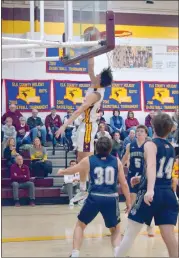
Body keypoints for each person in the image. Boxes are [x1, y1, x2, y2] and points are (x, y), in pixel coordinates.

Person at [116, 113, 179, 257]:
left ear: (152, 127)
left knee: (130, 232)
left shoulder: (150, 144)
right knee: (169, 237)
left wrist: (149, 190)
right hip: (167, 193)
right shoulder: (170, 146)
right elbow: (160, 170)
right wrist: (141, 178)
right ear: (169, 130)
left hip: (151, 192)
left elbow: (151, 165)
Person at [57, 137, 131, 257]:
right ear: (110, 148)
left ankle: (75, 254)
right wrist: (128, 201)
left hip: (95, 197)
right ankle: (118, 253)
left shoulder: (89, 160)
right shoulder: (117, 161)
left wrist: (62, 171)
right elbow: (124, 184)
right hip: (111, 198)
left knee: (80, 225)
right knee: (116, 229)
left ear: (96, 148)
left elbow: (73, 170)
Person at [55, 57, 113, 202]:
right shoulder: (96, 84)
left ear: (101, 80)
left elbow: (78, 111)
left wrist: (64, 125)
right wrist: (91, 51)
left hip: (87, 127)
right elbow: (90, 68)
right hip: (83, 126)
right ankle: (83, 189)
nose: (96, 75)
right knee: (81, 158)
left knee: (87, 159)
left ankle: (91, 188)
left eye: (99, 75)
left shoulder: (95, 94)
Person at [121, 125, 154, 236]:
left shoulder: (148, 146)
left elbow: (150, 164)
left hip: (143, 177)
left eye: (141, 131)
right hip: (131, 177)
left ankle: (149, 226)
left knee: (147, 203)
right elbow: (125, 158)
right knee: (132, 203)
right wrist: (119, 167)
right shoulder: (130, 145)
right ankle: (129, 228)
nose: (139, 133)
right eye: (137, 131)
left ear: (146, 134)